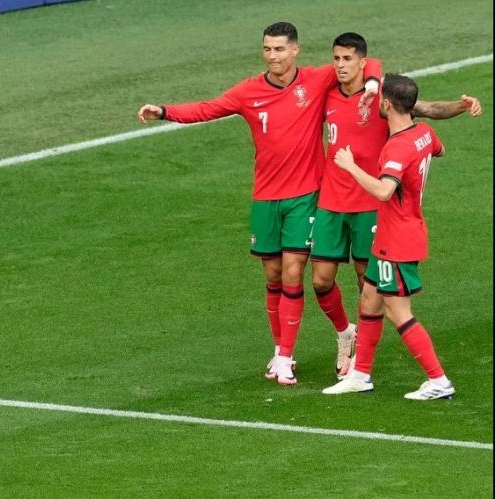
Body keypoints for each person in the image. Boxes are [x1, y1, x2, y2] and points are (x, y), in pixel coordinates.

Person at [137, 22, 381, 385]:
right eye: (267, 49)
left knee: (295, 271)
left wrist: (373, 84)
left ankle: (285, 358)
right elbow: (207, 109)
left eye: (280, 49)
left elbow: (368, 61)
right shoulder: (248, 91)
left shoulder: (316, 80)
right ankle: (334, 334)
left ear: (295, 50)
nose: (273, 56)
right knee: (273, 276)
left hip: (305, 195)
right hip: (265, 197)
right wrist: (164, 111)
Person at [312, 33, 482, 379]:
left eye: (348, 59)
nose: (340, 65)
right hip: (338, 204)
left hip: (378, 211)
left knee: (381, 296)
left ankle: (423, 377)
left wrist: (460, 107)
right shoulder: (330, 96)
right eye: (336, 59)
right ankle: (353, 354)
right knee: (332, 284)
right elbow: (436, 146)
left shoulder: (388, 112)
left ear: (362, 63)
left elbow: (427, 110)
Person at [322, 74, 454, 399]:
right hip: (392, 234)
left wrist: (350, 166)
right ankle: (360, 375)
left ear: (387, 104)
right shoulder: (424, 133)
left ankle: (438, 380)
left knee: (398, 312)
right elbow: (440, 150)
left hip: (398, 239)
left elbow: (384, 190)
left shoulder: (396, 146)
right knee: (369, 299)